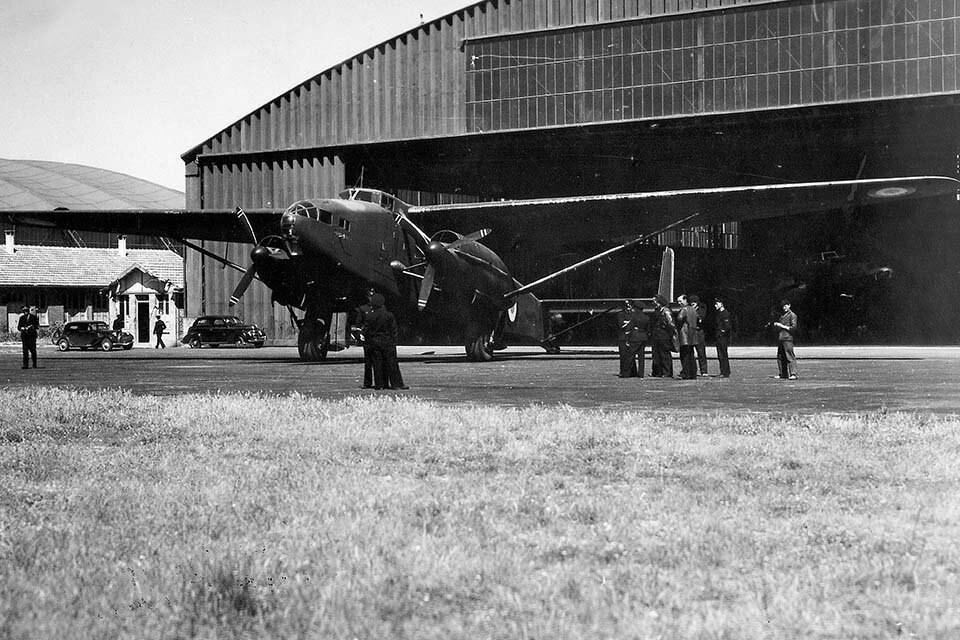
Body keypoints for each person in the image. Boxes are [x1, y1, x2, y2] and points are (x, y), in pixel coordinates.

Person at [362, 293, 408, 390]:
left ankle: (380, 385)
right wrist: (393, 341)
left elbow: (366, 331)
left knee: (377, 364)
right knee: (392, 363)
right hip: (387, 342)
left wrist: (370, 340)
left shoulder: (370, 316)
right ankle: (397, 384)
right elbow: (394, 330)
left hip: (375, 342)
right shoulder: (389, 315)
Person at [615, 300, 650, 378]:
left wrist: (628, 338)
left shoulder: (634, 316)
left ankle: (625, 373)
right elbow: (648, 329)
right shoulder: (646, 317)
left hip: (634, 337)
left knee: (629, 355)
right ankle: (641, 373)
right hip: (643, 337)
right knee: (641, 357)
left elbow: (629, 327)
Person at [351, 288, 376, 388]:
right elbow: (357, 325)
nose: (371, 298)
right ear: (367, 297)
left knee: (379, 363)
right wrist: (360, 335)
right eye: (369, 296)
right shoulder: (362, 309)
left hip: (378, 338)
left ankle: (381, 383)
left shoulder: (380, 308)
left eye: (373, 296)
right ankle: (367, 383)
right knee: (368, 363)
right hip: (368, 338)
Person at [650, 295, 676, 378]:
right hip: (657, 335)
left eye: (655, 301)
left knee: (664, 354)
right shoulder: (657, 310)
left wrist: (670, 333)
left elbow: (670, 323)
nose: (654, 303)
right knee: (656, 354)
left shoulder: (666, 311)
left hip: (663, 335)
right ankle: (658, 371)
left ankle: (667, 372)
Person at [773, 299, 799, 379]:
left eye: (785, 306)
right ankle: (783, 373)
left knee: (790, 356)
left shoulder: (792, 315)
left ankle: (793, 373)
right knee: (780, 357)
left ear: (789, 305)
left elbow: (793, 328)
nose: (784, 307)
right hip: (781, 338)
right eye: (783, 306)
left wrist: (781, 325)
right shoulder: (782, 315)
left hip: (788, 338)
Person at [676, 294, 698, 380]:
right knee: (691, 355)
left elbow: (679, 318)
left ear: (685, 300)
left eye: (680, 301)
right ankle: (693, 373)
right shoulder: (693, 309)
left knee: (684, 356)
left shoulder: (684, 309)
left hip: (685, 335)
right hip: (692, 335)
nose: (679, 303)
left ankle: (686, 373)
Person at [689, 294, 708, 376]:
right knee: (690, 352)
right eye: (691, 302)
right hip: (691, 331)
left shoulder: (701, 309)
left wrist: (695, 313)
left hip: (699, 331)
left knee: (701, 352)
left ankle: (704, 371)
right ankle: (692, 370)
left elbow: (701, 318)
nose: (693, 303)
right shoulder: (688, 309)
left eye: (694, 302)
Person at [714, 298, 731, 377]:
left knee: (723, 354)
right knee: (720, 354)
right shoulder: (719, 313)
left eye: (717, 304)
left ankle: (725, 372)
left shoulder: (725, 313)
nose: (715, 306)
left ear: (721, 304)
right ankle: (723, 371)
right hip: (719, 336)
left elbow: (727, 326)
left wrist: (722, 331)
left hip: (722, 337)